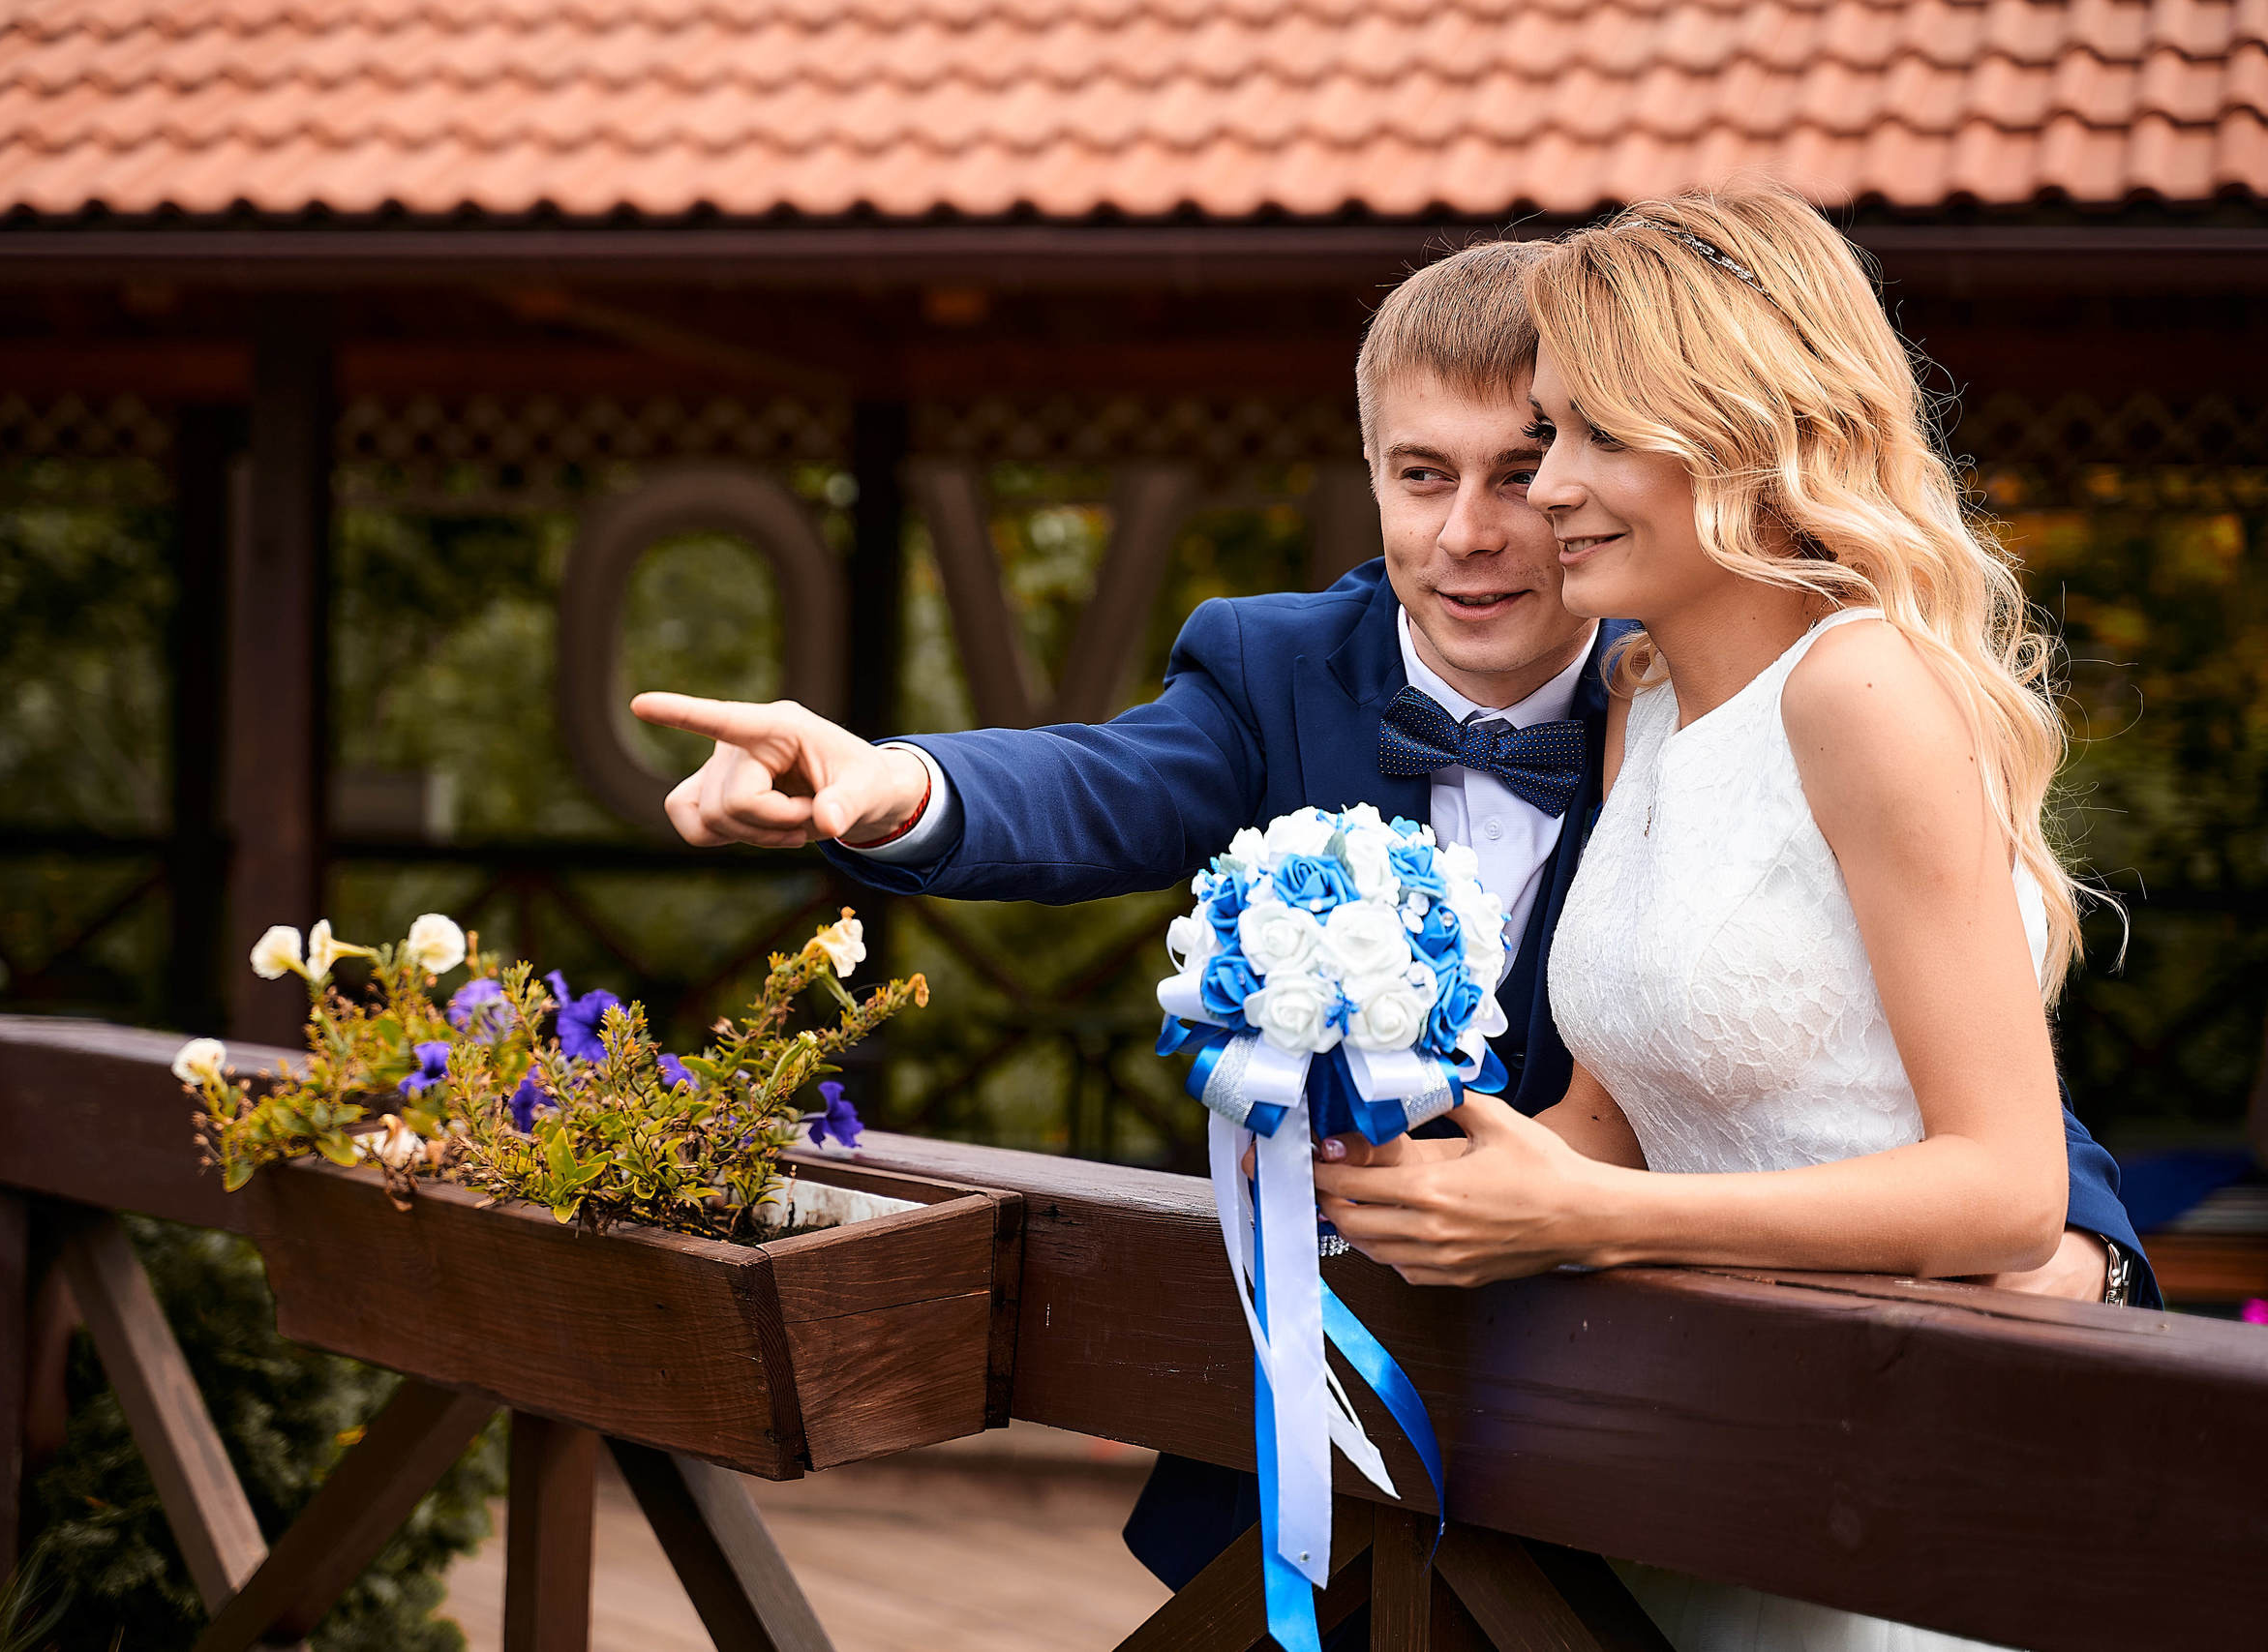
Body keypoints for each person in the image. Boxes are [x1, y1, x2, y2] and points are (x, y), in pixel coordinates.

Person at [630, 228, 2154, 1630]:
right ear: (1365, 470)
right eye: (1424, 477)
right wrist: (890, 783)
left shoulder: (1740, 666)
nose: (1490, 528)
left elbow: (1914, 1077)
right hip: (1352, 1432)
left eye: (1536, 459)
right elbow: (1102, 784)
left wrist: (2080, 1241)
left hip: (1718, 1425)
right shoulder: (1415, 677)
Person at [1311, 184, 2133, 1647]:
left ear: (1750, 438)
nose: (1546, 486)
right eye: (1556, 432)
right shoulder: (1647, 704)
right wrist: (1391, 1166)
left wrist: (1594, 1219)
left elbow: (2008, 1189)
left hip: (1895, 1468)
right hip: (1688, 1455)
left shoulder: (1864, 689)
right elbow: (1616, 1125)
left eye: (1590, 437)